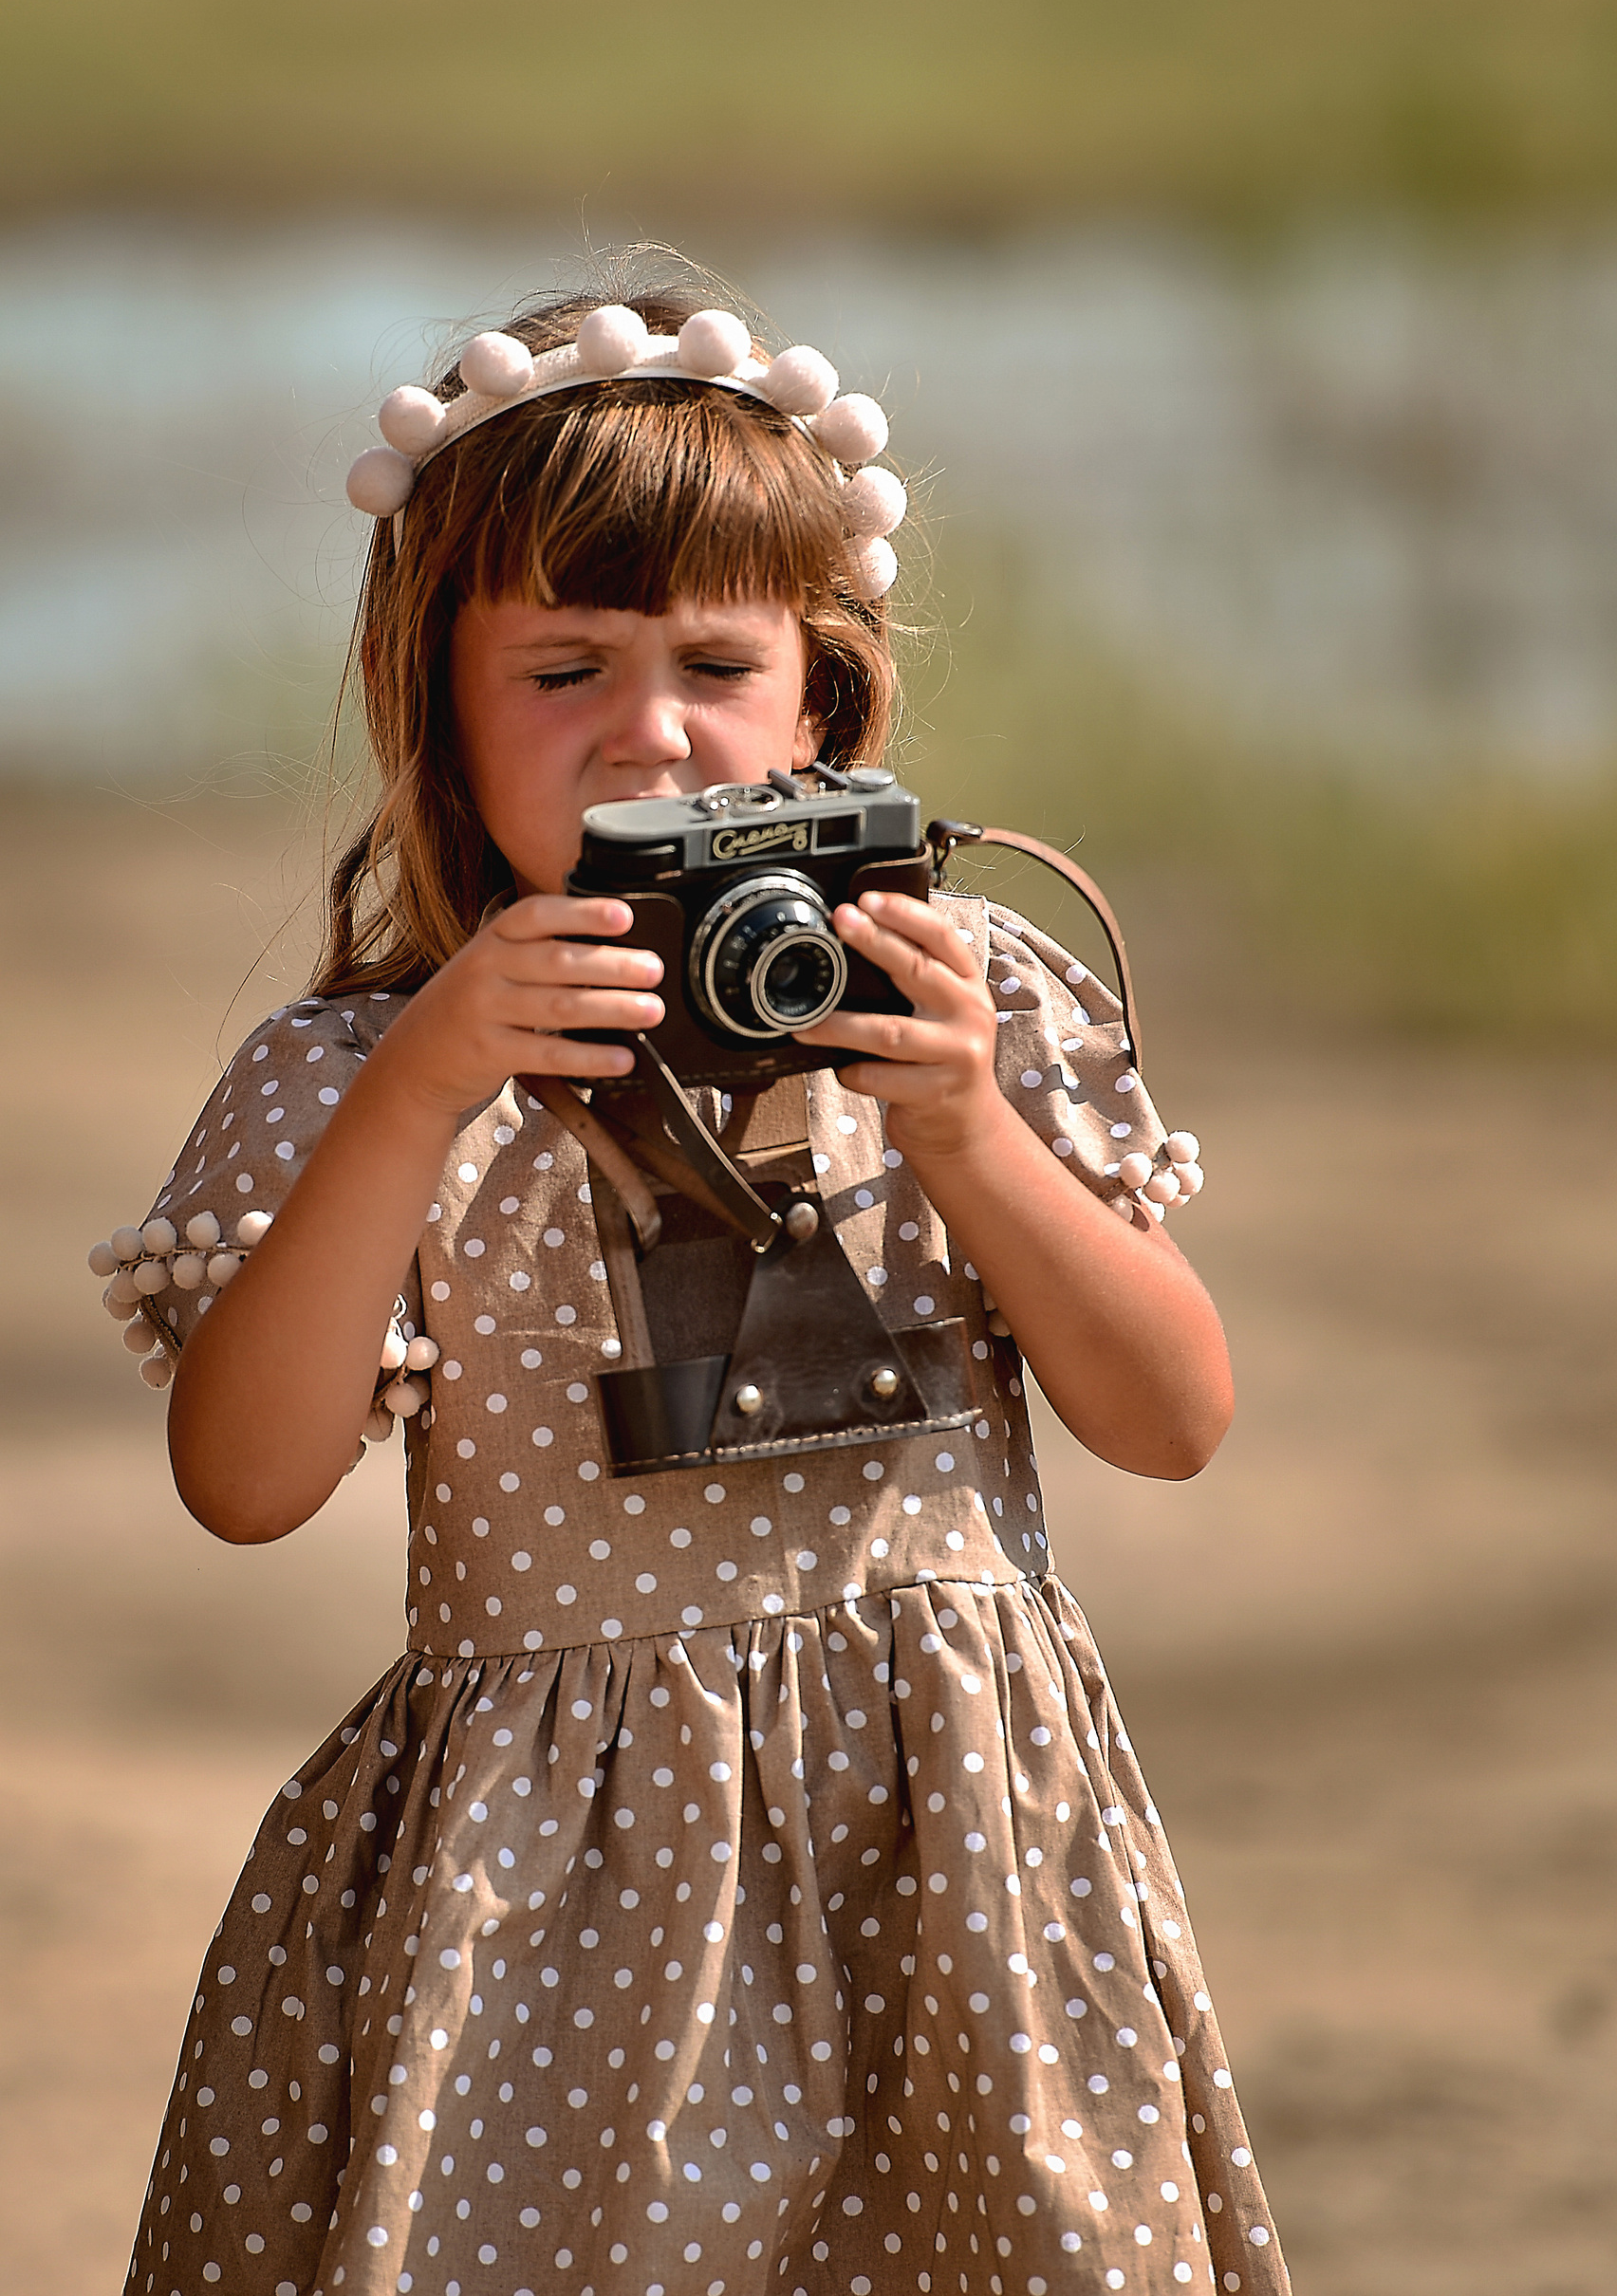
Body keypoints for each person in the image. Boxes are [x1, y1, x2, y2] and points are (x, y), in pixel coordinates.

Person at [89, 267, 1288, 2296]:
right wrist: (417, 1093)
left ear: (817, 701)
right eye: (557, 667)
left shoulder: (967, 997)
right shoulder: (360, 1071)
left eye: (712, 663)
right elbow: (244, 1474)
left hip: (954, 1858)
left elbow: (1169, 1412)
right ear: (438, 713)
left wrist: (970, 1135)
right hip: (557, 1907)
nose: (644, 727)